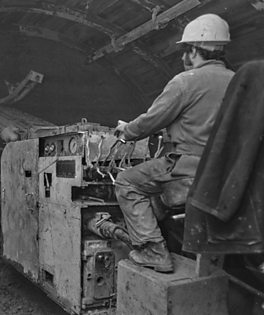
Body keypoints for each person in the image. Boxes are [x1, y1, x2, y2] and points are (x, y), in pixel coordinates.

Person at [113, 13, 235, 273]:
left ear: (193, 50)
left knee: (127, 182)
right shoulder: (238, 82)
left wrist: (126, 131)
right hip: (229, 173)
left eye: (184, 51)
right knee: (157, 191)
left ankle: (152, 251)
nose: (182, 57)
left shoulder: (186, 82)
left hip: (189, 169)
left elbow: (151, 121)